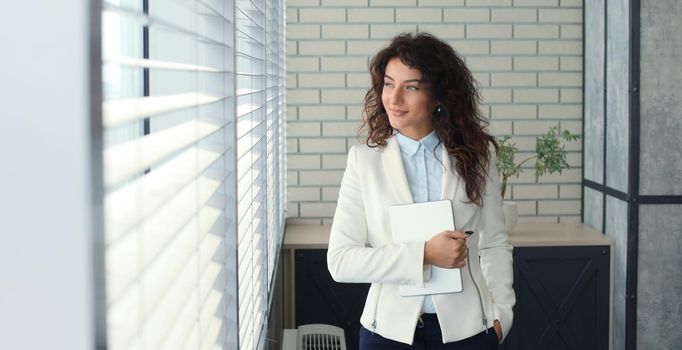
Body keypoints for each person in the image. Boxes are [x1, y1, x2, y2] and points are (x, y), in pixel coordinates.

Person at [326, 33, 515, 350]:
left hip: (467, 333)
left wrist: (502, 317)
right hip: (387, 334)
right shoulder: (364, 162)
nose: (394, 98)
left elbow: (495, 242)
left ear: (439, 96)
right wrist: (424, 255)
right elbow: (341, 261)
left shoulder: (476, 157)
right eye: (389, 84)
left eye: (411, 87)